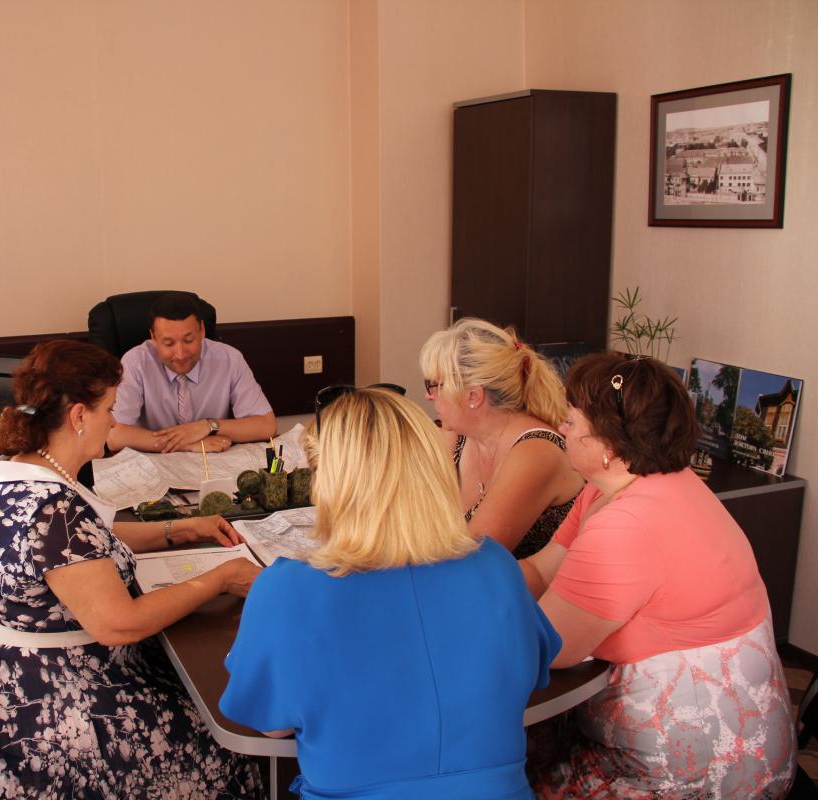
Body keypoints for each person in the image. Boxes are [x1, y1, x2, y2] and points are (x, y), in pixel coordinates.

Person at [220, 387, 561, 799]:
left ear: (329, 484)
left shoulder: (286, 590)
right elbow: (533, 672)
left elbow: (272, 725)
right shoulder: (497, 567)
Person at [0, 339, 264, 799]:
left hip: (10, 682)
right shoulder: (52, 512)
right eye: (109, 409)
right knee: (230, 746)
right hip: (49, 714)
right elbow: (121, 624)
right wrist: (221, 578)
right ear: (79, 416)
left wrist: (178, 529)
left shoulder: (19, 470)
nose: (115, 422)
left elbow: (88, 543)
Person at [521, 353, 797, 798]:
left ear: (610, 445)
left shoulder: (625, 526)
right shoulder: (624, 487)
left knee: (513, 776)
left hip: (700, 771)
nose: (561, 429)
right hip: (741, 739)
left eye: (570, 421)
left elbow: (547, 645)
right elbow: (539, 567)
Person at [418, 318, 583, 558]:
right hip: (465, 578)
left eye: (434, 385)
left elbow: (476, 557)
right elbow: (412, 514)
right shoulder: (456, 436)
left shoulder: (535, 452)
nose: (428, 396)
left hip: (520, 583)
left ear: (473, 396)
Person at [108, 291, 275, 453]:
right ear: (154, 337)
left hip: (213, 462)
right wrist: (188, 444)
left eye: (188, 340)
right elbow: (114, 436)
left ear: (201, 330)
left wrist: (208, 426)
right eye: (168, 343)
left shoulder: (229, 359)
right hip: (155, 462)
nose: (180, 354)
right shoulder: (135, 363)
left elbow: (266, 425)